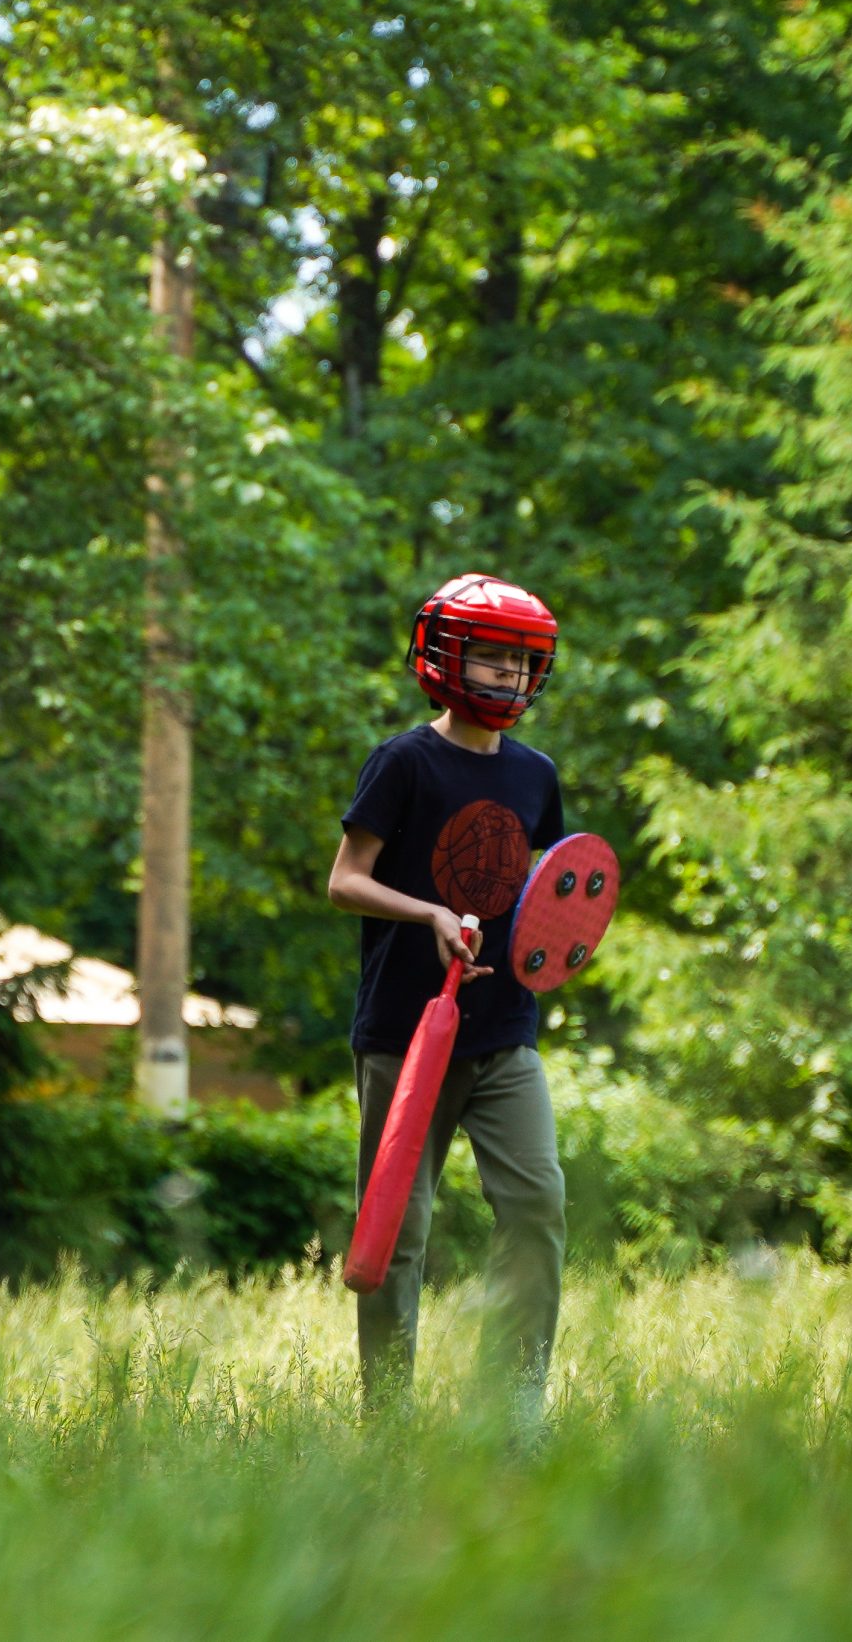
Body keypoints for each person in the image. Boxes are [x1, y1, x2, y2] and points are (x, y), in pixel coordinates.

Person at [326, 573, 569, 1410]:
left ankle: (514, 1414)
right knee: (396, 1235)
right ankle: (387, 1420)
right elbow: (344, 881)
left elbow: (547, 890)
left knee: (537, 1208)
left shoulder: (536, 776)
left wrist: (555, 952)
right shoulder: (403, 762)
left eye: (521, 665)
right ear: (442, 658)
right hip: (405, 1033)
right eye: (493, 662)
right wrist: (430, 910)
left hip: (505, 1031)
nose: (507, 680)